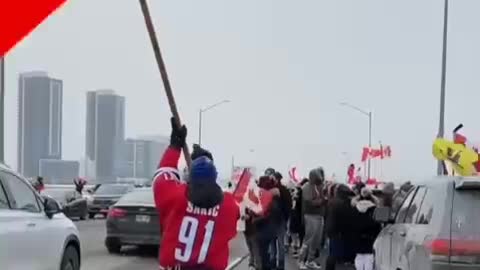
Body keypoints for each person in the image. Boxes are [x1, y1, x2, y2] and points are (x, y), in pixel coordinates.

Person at [153, 117, 240, 270]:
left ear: (189, 177)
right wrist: (207, 161)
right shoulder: (229, 206)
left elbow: (163, 175)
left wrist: (175, 146)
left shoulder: (175, 197)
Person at [299, 167, 327, 270]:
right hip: (310, 216)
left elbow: (322, 197)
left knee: (316, 240)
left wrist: (323, 199)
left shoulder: (319, 186)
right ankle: (301, 260)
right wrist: (322, 201)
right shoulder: (307, 187)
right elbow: (310, 202)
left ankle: (310, 260)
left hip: (320, 215)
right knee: (308, 240)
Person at [325, 184, 355, 270]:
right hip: (338, 231)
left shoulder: (332, 201)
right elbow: (345, 219)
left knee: (332, 252)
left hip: (331, 229)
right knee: (334, 254)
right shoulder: (343, 204)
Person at [255, 175, 282, 270]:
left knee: (263, 254)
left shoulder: (265, 196)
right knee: (265, 252)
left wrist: (255, 219)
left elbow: (263, 213)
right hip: (270, 227)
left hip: (263, 228)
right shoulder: (274, 196)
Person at [351, 187, 381, 270]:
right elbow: (378, 224)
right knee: (369, 257)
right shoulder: (375, 209)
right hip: (371, 236)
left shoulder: (355, 208)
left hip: (357, 236)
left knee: (359, 256)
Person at [269, 171, 292, 270]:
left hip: (272, 220)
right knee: (280, 243)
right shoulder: (285, 190)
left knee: (273, 243)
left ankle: (273, 261)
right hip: (281, 220)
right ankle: (281, 264)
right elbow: (289, 206)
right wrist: (286, 218)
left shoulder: (270, 190)